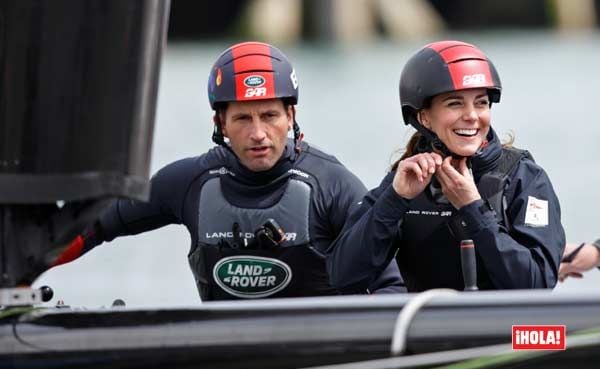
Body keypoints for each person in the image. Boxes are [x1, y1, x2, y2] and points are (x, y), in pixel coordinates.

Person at [49, 41, 405, 300]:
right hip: (228, 355)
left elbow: (390, 285)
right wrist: (21, 272)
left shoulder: (333, 184)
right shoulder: (188, 183)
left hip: (319, 357)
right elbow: (93, 227)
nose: (258, 134)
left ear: (290, 117)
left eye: (269, 116)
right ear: (220, 122)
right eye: (242, 119)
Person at [328, 40, 565, 292]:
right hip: (429, 330)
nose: (472, 115)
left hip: (503, 331)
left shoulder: (525, 178)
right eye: (455, 103)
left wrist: (473, 209)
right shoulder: (406, 178)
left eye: (481, 102)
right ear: (424, 117)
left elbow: (537, 284)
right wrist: (395, 200)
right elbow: (343, 277)